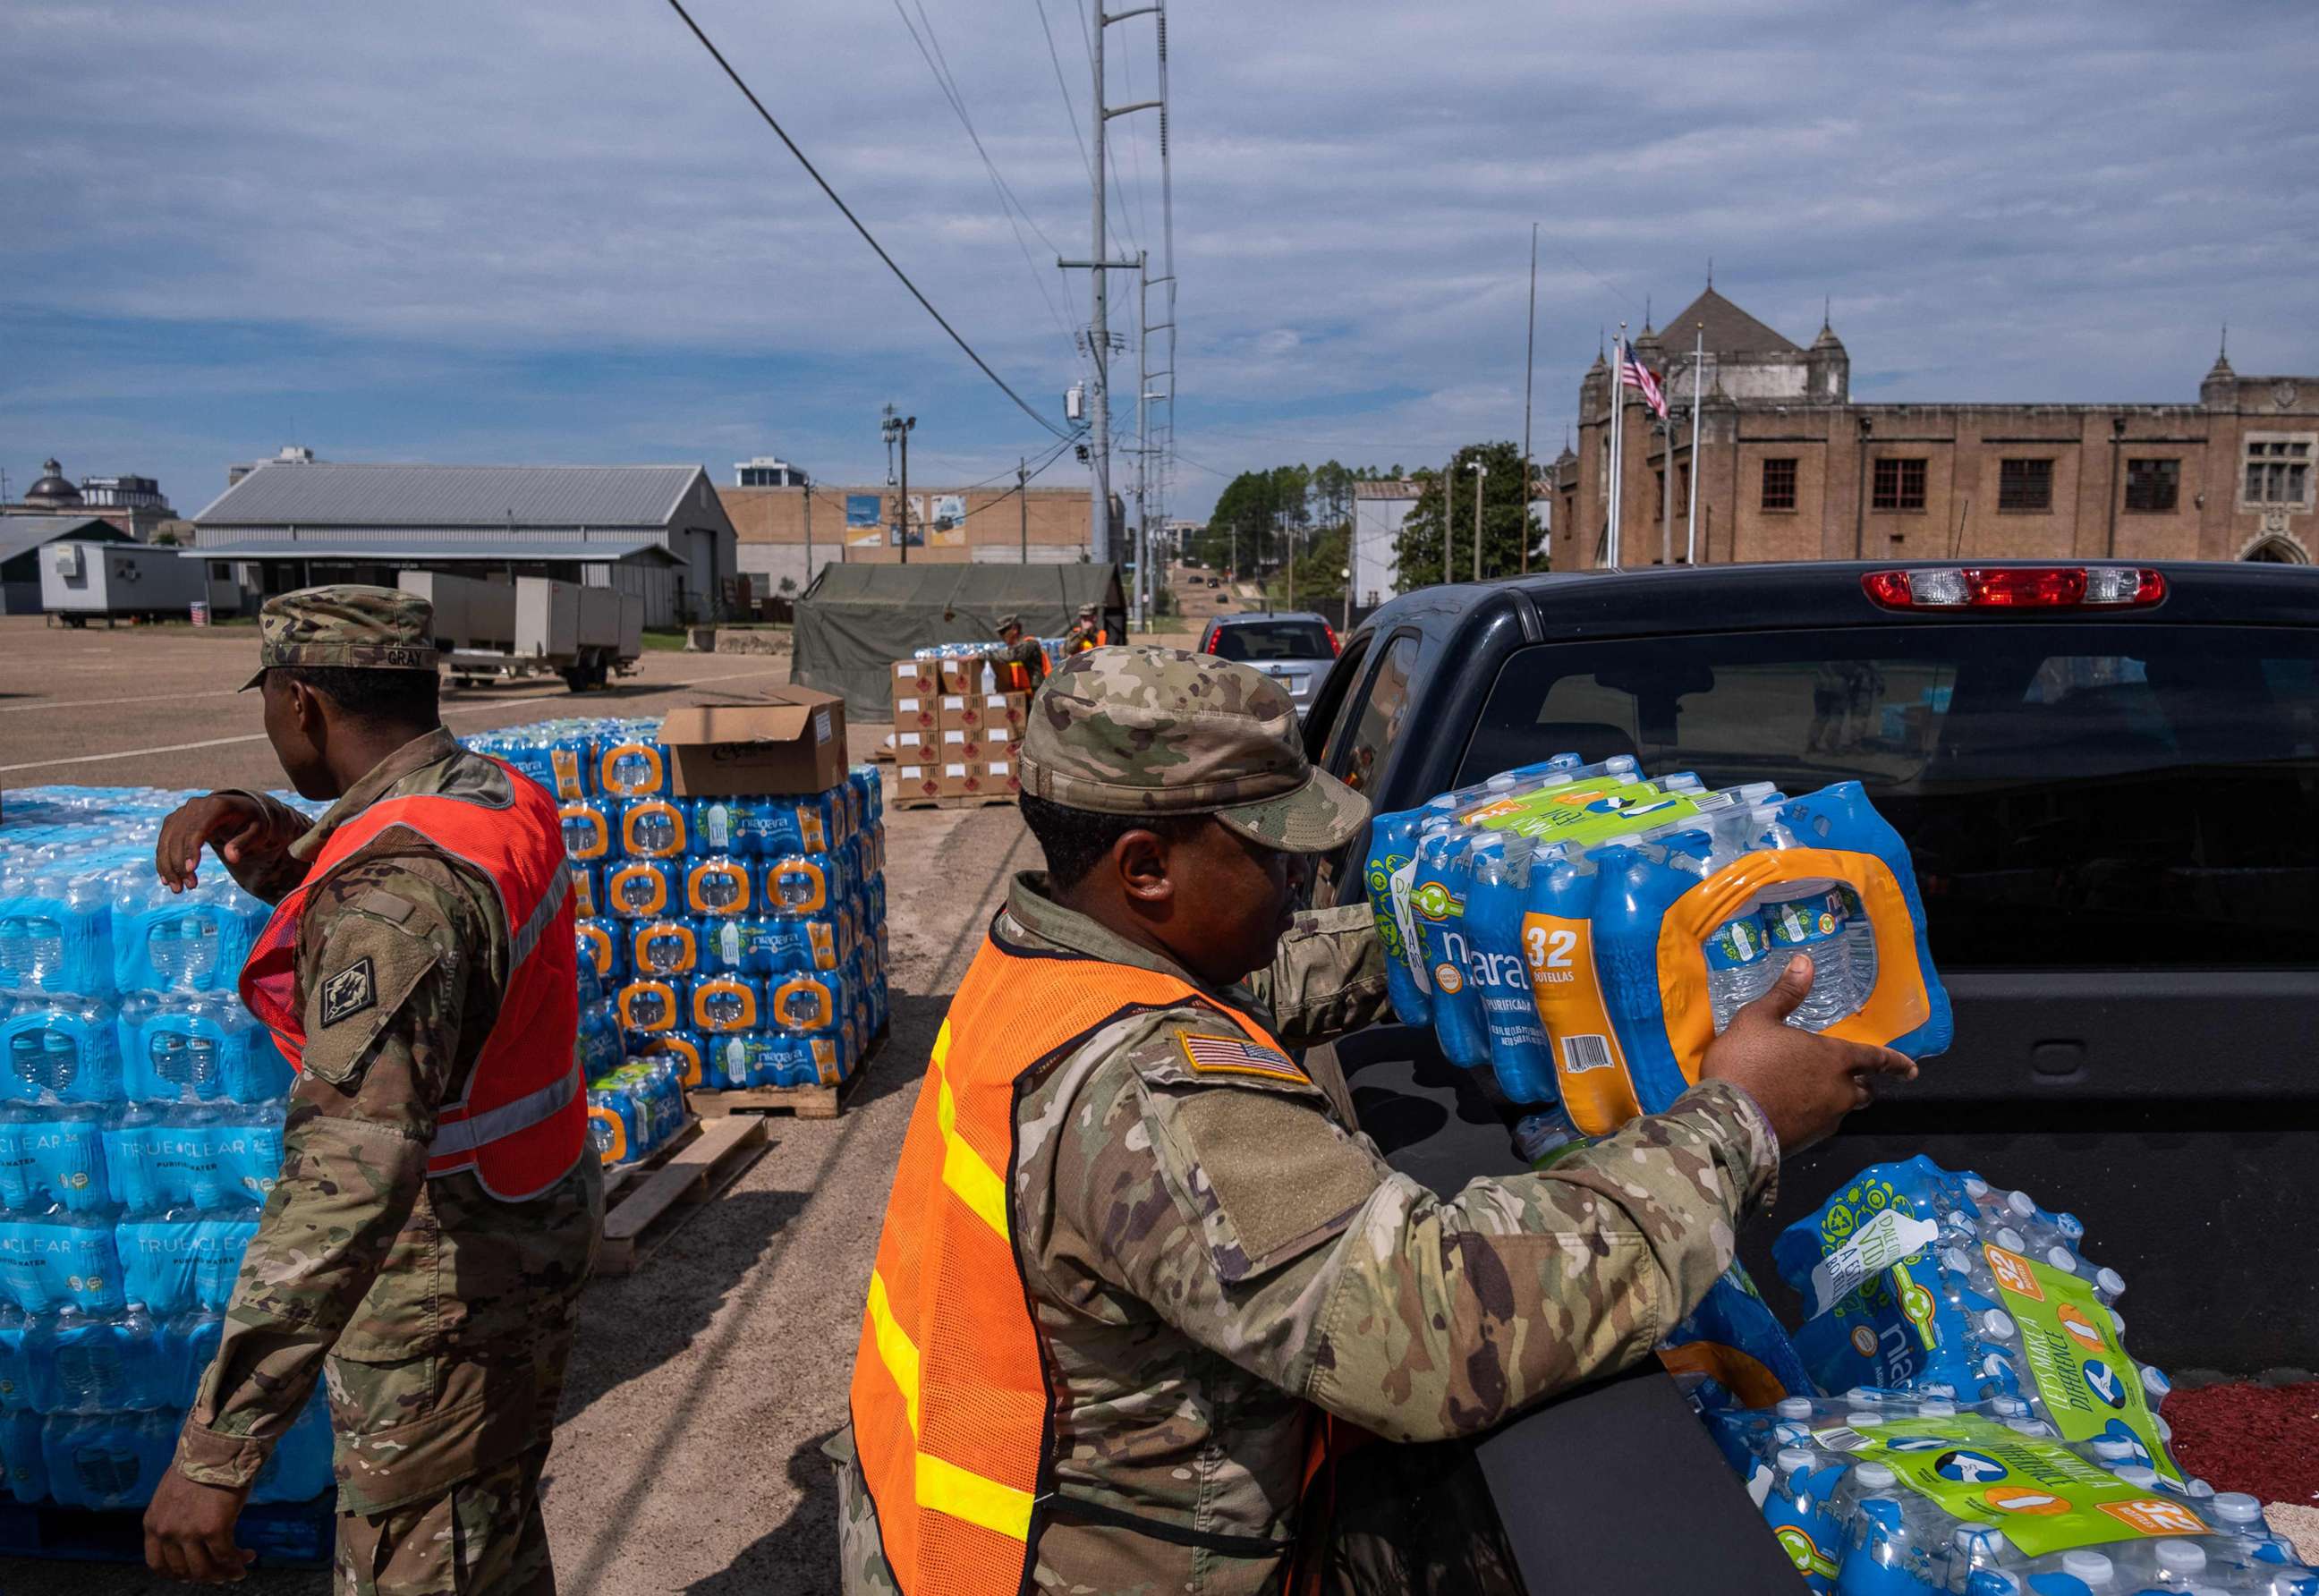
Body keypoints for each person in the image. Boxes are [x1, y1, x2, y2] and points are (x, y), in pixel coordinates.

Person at [835, 646, 1916, 1594]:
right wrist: (1738, 1122)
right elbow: (1437, 1331)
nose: (1304, 871)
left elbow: (1267, 973)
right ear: (1147, 868)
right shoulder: (1157, 1095)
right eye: (1269, 851)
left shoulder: (1055, 957)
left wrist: (1471, 936)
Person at [141, 586, 600, 1592]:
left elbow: (347, 1180)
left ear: (301, 700)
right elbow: (438, 947)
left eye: (268, 699)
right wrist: (266, 833)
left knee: (422, 1558)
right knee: (485, 1530)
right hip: (531, 1212)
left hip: (449, 1282)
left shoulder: (390, 903)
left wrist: (216, 1451)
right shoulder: (491, 796)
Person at [981, 613, 1047, 695]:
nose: (1001, 636)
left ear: (1014, 629)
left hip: (1037, 695)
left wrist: (981, 655)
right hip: (1021, 696)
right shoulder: (1011, 650)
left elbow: (1012, 656)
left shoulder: (1030, 644)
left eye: (1003, 632)